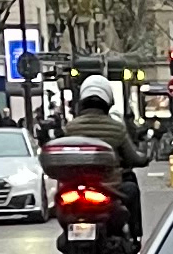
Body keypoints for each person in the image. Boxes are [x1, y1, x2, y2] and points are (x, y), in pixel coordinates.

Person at [64, 74, 150, 241]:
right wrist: (144, 158)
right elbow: (133, 158)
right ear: (108, 101)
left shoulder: (71, 128)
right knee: (131, 189)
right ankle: (136, 236)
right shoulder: (116, 128)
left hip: (77, 187)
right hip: (111, 188)